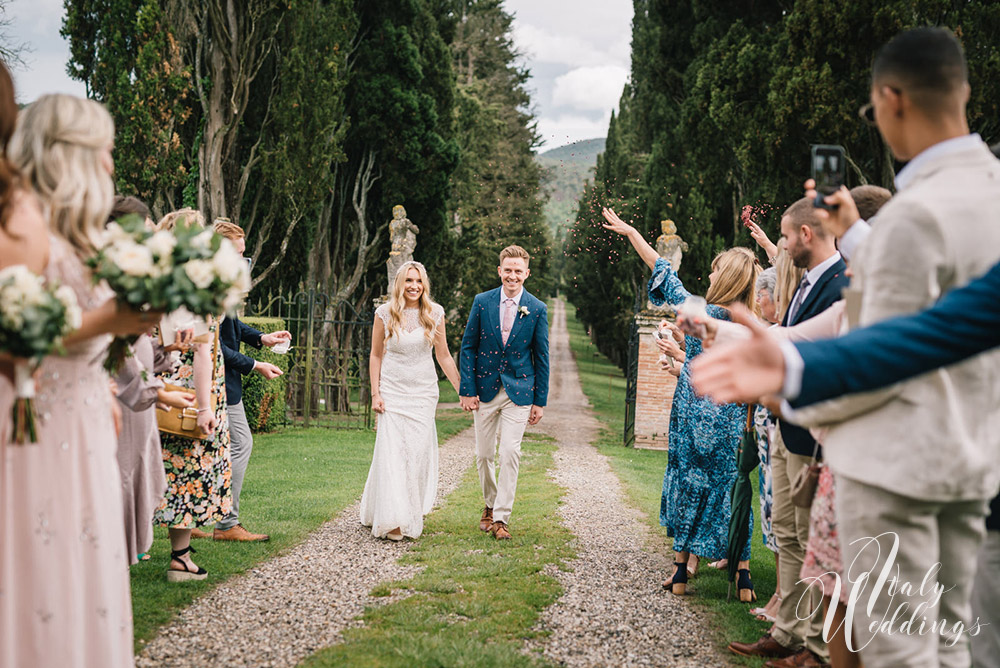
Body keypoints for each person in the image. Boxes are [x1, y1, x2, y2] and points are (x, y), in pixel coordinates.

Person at [698, 27, 1000, 668]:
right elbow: (947, 319)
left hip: (899, 475)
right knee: (958, 648)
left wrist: (786, 370)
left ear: (891, 100)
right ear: (964, 91)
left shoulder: (918, 214)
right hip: (976, 468)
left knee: (900, 652)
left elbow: (885, 342)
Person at [3, 91, 153, 668]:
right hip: (41, 429)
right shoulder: (21, 224)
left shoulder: (82, 236)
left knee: (83, 571)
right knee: (45, 570)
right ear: (68, 154)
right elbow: (15, 331)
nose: (111, 165)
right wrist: (110, 320)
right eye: (103, 150)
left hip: (88, 420)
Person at [601, 207, 759, 601]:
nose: (708, 276)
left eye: (714, 270)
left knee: (689, 484)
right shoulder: (752, 325)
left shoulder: (700, 312)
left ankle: (680, 574)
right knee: (729, 487)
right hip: (731, 415)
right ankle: (743, 577)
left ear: (725, 278)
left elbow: (661, 268)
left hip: (691, 411)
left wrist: (632, 232)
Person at [730, 197, 847, 668]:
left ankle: (815, 647)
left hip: (812, 429)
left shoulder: (841, 285)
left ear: (805, 235)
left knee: (811, 540)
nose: (779, 243)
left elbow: (803, 347)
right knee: (788, 533)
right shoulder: (802, 282)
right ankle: (787, 632)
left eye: (783, 235)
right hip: (783, 424)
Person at [107, 196, 195, 563]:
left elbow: (138, 346)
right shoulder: (110, 283)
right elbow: (115, 352)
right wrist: (160, 395)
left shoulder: (133, 282)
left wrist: (166, 349)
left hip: (140, 414)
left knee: (132, 491)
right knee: (117, 494)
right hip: (122, 410)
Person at [151, 209, 233, 581]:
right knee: (185, 473)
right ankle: (179, 559)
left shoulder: (159, 281)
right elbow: (200, 350)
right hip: (187, 394)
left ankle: (176, 553)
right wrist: (205, 407)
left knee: (169, 472)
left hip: (164, 388)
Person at [361, 261, 461, 540]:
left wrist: (461, 388)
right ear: (400, 283)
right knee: (392, 453)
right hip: (392, 392)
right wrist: (375, 393)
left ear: (424, 284)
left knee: (414, 456)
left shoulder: (435, 313)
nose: (413, 286)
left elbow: (443, 355)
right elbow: (376, 355)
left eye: (418, 281)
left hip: (423, 394)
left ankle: (406, 510)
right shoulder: (384, 313)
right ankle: (392, 518)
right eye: (408, 280)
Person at [459, 245, 549, 541]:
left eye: (518, 271)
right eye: (507, 270)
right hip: (484, 390)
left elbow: (542, 356)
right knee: (484, 455)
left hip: (519, 391)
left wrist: (540, 401)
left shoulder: (537, 308)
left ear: (527, 273)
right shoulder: (482, 302)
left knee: (510, 452)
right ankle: (489, 504)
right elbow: (468, 346)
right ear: (500, 271)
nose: (513, 276)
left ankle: (501, 518)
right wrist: (467, 390)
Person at [211, 218, 288, 542]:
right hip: (217, 384)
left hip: (221, 383)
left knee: (218, 449)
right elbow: (216, 348)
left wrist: (262, 338)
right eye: (238, 254)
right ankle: (227, 523)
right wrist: (256, 365)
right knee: (241, 443)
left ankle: (208, 515)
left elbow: (233, 326)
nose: (243, 262)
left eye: (245, 255)